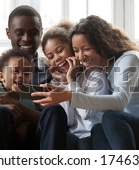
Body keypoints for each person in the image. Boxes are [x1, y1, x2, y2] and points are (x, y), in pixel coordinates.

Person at [32, 15, 139, 150]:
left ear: (102, 43)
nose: (81, 56)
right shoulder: (101, 71)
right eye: (77, 51)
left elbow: (119, 102)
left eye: (87, 49)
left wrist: (69, 95)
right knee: (98, 129)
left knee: (112, 117)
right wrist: (68, 84)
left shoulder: (129, 59)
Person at [38, 19, 109, 149]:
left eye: (60, 50)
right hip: (72, 136)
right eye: (50, 56)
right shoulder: (58, 82)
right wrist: (65, 82)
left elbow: (86, 113)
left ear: (72, 48)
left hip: (93, 135)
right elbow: (68, 120)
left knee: (84, 145)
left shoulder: (95, 74)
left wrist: (71, 82)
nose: (57, 58)